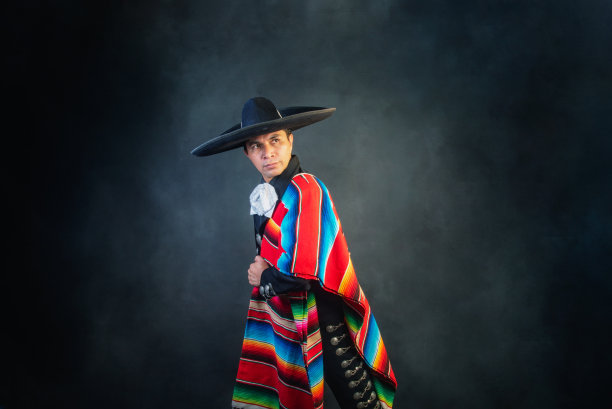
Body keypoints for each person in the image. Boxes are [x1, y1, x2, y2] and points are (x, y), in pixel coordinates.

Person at [191, 97, 397, 409]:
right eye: (256, 145)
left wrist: (263, 276)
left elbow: (302, 274)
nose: (267, 152)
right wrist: (267, 271)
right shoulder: (268, 195)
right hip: (289, 318)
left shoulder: (306, 188)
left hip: (321, 319)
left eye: (275, 140)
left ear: (290, 140)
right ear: (247, 153)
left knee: (360, 403)